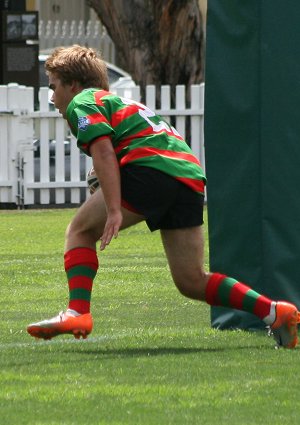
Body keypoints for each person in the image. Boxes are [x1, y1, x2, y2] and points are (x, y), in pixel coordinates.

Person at [27, 44, 300, 348]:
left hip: (151, 171)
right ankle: (276, 312)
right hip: (188, 177)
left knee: (79, 230)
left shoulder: (83, 100)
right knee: (191, 280)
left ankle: (78, 311)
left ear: (73, 84)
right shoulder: (119, 102)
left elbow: (103, 150)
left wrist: (114, 209)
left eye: (53, 87)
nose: (52, 97)